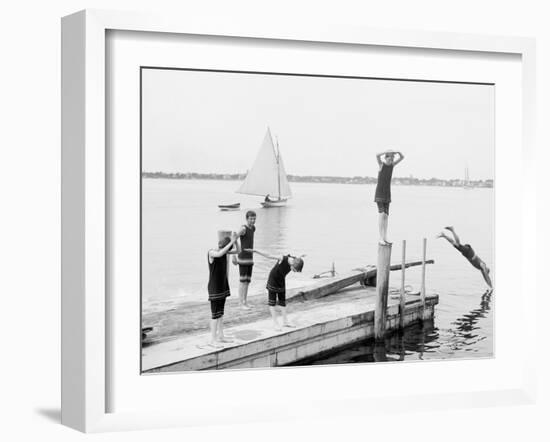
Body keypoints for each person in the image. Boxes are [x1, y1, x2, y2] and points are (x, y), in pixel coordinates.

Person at [245, 248, 304, 331]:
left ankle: (285, 322)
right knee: (272, 303)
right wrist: (256, 251)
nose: (294, 271)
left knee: (282, 302)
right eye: (294, 270)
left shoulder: (295, 260)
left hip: (281, 280)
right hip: (273, 280)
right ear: (293, 264)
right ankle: (275, 324)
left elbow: (299, 258)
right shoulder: (282, 259)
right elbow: (269, 255)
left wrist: (302, 255)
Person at [207, 232, 239, 348]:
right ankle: (213, 340)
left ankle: (221, 336)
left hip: (222, 287)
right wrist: (231, 241)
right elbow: (220, 253)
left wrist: (235, 240)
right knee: (215, 315)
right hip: (214, 288)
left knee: (220, 314)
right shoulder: (212, 252)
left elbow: (237, 251)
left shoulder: (224, 252)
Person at [374, 150, 404, 245]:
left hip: (387, 193)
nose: (391, 159)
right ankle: (380, 238)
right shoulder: (381, 165)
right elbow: (377, 155)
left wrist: (397, 152)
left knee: (386, 216)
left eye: (392, 158)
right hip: (379, 193)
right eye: (389, 158)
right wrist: (387, 151)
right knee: (381, 215)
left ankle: (385, 237)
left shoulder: (392, 166)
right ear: (386, 158)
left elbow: (402, 157)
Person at [235, 210, 257, 309]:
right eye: (251, 219)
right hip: (243, 258)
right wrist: (234, 255)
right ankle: (240, 304)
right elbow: (234, 237)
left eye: (254, 218)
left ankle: (245, 302)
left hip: (250, 259)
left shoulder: (253, 228)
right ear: (246, 219)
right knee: (242, 281)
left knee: (247, 281)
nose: (253, 220)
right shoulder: (243, 228)